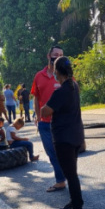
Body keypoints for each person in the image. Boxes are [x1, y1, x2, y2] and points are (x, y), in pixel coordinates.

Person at [41, 56, 85, 209]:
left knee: (70, 174)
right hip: (75, 135)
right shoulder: (74, 86)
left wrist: (43, 106)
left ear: (57, 71)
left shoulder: (61, 91)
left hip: (64, 138)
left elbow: (46, 111)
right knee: (72, 172)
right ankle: (75, 201)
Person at [32, 45, 67, 193]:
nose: (57, 56)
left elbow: (72, 96)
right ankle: (60, 181)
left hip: (61, 123)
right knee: (51, 153)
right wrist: (38, 117)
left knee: (63, 153)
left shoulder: (66, 76)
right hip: (45, 124)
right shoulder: (39, 76)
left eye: (61, 55)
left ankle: (66, 178)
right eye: (55, 54)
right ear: (49, 56)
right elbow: (36, 97)